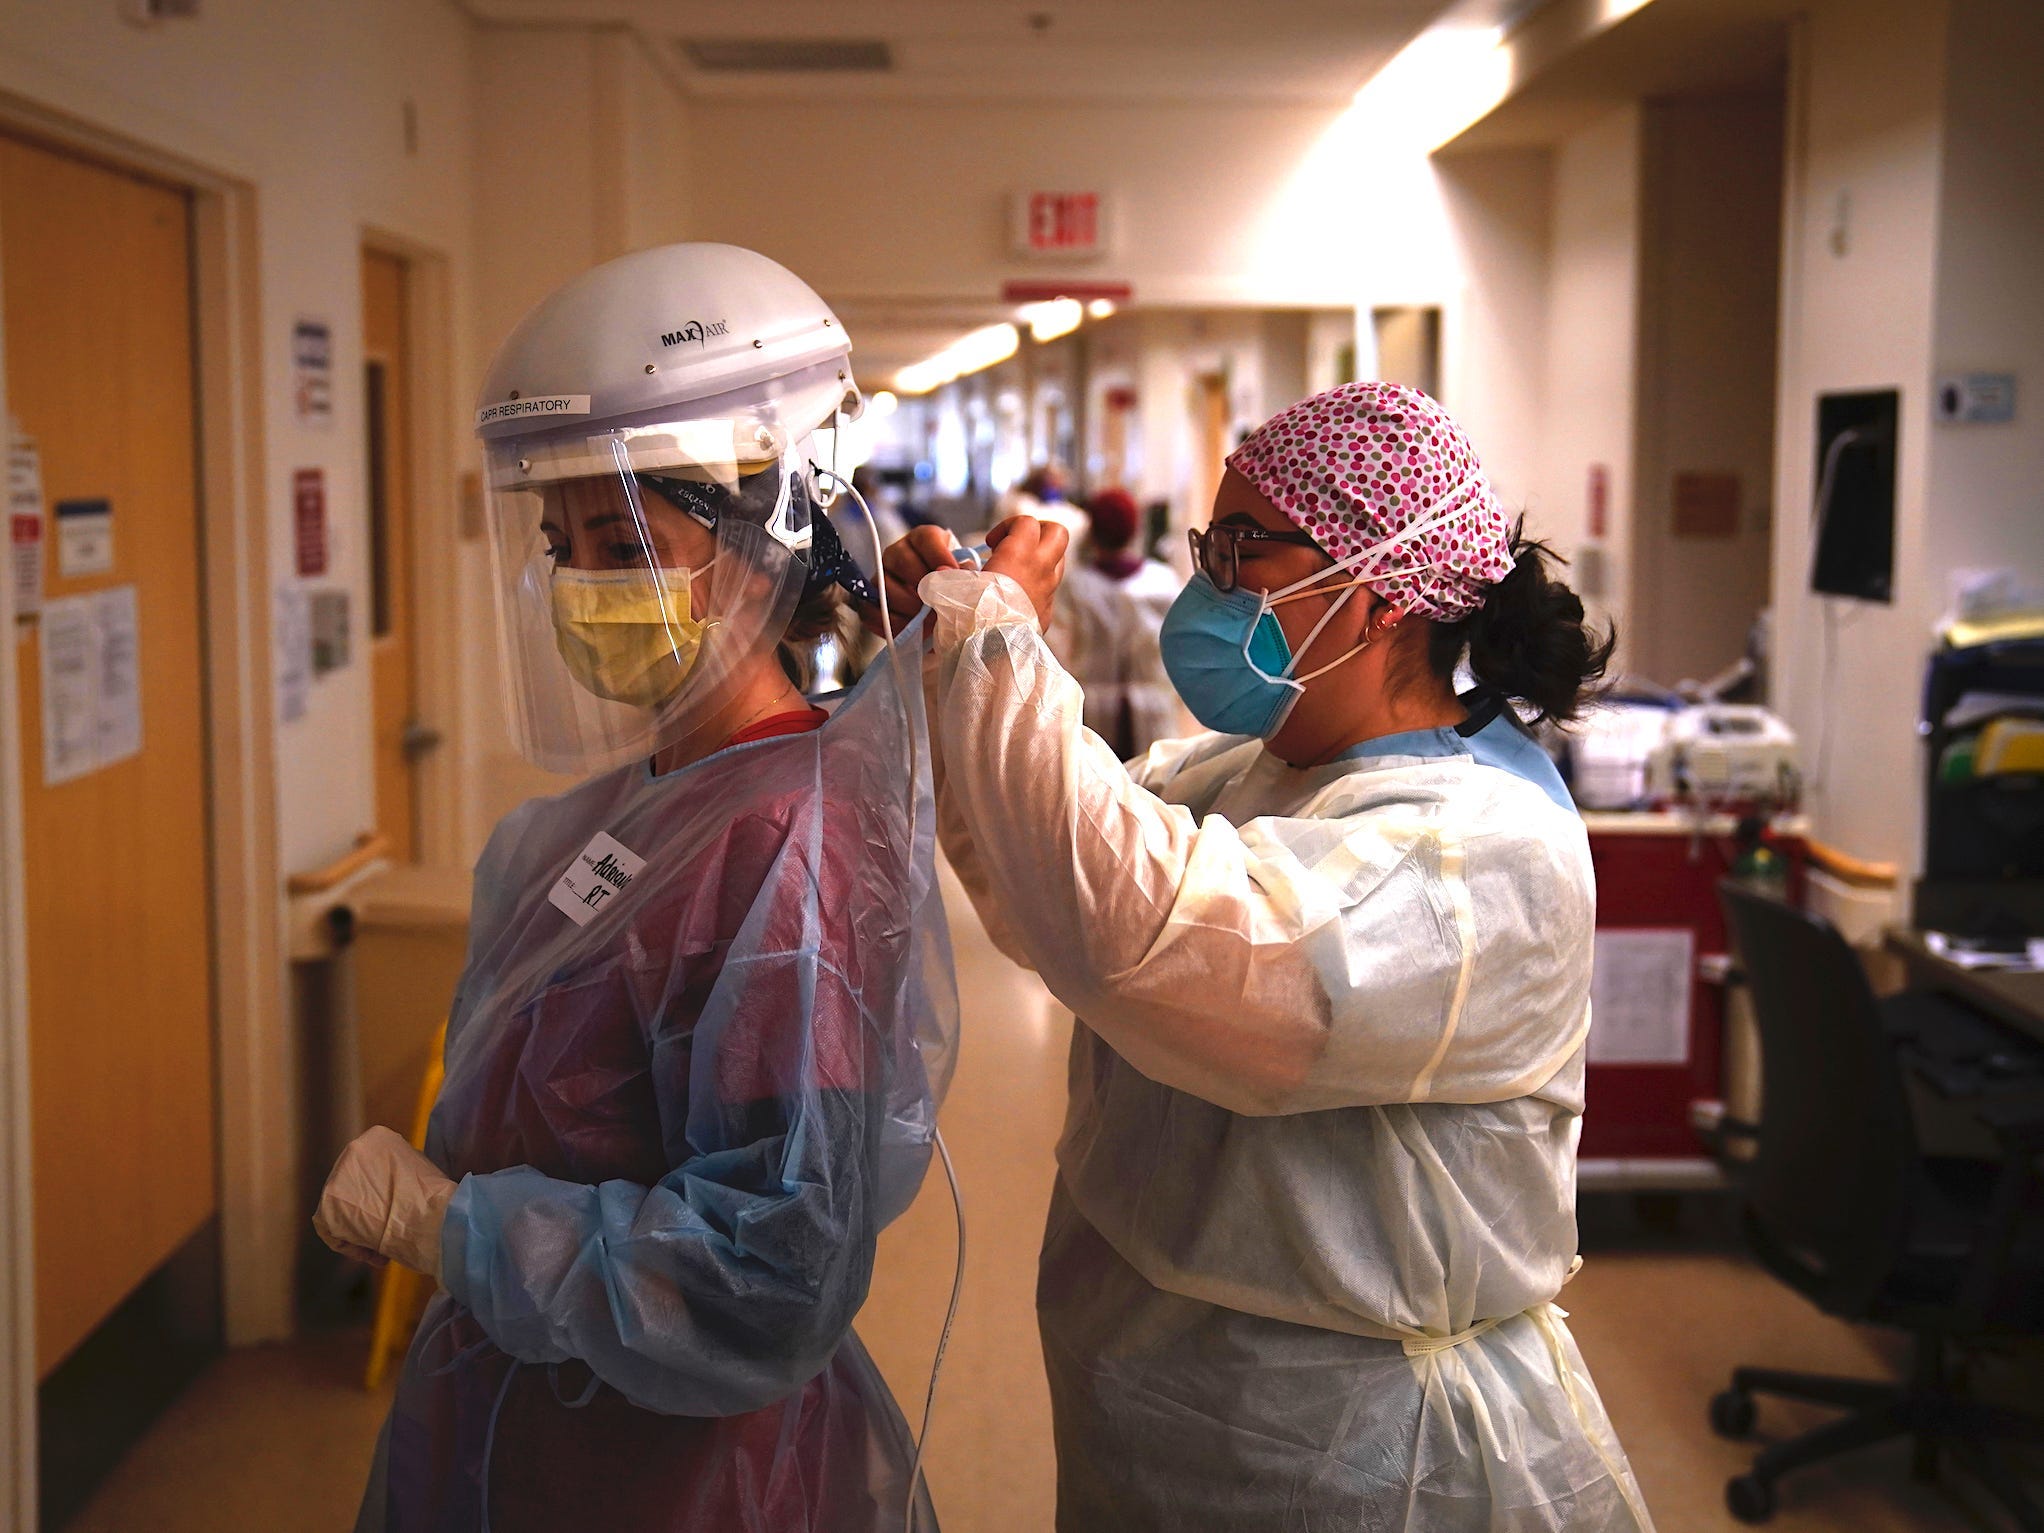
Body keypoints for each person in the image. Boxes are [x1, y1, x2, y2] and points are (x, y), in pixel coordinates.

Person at [878, 381, 1652, 1531]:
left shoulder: (1475, 852)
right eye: (1209, 546)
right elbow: (1044, 875)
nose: (1207, 588)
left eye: (1245, 551)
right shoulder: (1252, 766)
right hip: (1170, 1405)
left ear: (1382, 593)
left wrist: (999, 644)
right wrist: (946, 656)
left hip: (1366, 1456)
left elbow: (1143, 941)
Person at [314, 242, 957, 1533]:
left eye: (622, 538)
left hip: (677, 1475)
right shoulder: (615, 813)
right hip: (525, 1422)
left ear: (766, 534)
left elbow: (767, 1275)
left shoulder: (793, 836)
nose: (580, 580)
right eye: (562, 542)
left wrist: (459, 1232)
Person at [1046, 488, 1187, 760]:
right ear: (1135, 530)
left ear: (1093, 531)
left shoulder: (1075, 586)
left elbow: (1058, 653)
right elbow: (1182, 651)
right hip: (1153, 709)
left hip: (1093, 712)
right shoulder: (1163, 582)